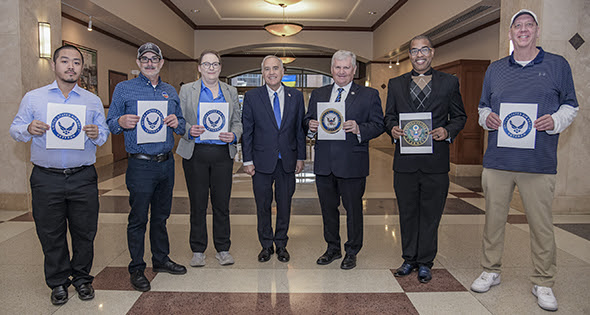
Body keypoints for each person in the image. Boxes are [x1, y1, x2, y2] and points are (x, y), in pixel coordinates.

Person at [470, 10, 578, 312]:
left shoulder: (557, 65)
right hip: (498, 161)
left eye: (529, 25)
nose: (523, 30)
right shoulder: (495, 69)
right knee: (492, 221)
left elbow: (571, 106)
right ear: (510, 33)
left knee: (542, 226)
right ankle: (490, 270)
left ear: (537, 31)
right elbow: (483, 106)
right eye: (518, 26)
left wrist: (554, 120)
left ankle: (543, 282)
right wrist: (486, 118)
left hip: (539, 163)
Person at [9, 45, 109, 305]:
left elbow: (104, 133)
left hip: (83, 176)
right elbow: (15, 129)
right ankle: (58, 282)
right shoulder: (34, 98)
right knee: (50, 233)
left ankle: (83, 279)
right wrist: (29, 128)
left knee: (85, 232)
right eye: (65, 61)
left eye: (76, 62)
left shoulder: (92, 100)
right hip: (46, 178)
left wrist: (97, 134)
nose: (71, 67)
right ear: (54, 65)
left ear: (81, 68)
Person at [383, 35, 467, 283]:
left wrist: (448, 131)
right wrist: (392, 129)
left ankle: (425, 262)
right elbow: (388, 117)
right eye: (414, 51)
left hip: (435, 162)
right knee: (407, 213)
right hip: (405, 164)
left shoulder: (449, 82)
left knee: (431, 214)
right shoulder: (395, 84)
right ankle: (409, 258)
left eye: (424, 50)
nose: (419, 55)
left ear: (432, 53)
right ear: (409, 55)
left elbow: (460, 116)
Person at [107, 42, 187, 292]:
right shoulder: (124, 89)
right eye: (145, 59)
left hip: (166, 164)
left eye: (155, 59)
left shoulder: (170, 91)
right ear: (139, 63)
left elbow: (183, 126)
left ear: (161, 63)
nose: (150, 63)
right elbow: (111, 124)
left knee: (161, 217)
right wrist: (120, 120)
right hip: (140, 164)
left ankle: (161, 259)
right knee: (138, 217)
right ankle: (137, 267)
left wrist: (177, 122)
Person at [304, 50, 384, 270]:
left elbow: (379, 124)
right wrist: (310, 126)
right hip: (324, 164)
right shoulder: (319, 94)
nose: (341, 72)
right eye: (337, 67)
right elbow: (308, 120)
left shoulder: (369, 95)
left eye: (346, 67)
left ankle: (352, 251)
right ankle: (332, 248)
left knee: (353, 210)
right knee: (328, 210)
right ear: (331, 70)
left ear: (354, 70)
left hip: (352, 163)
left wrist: (359, 128)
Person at [176, 50, 243, 267]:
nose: (211, 68)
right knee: (198, 203)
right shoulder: (187, 90)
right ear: (199, 67)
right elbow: (178, 120)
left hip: (223, 154)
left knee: (222, 203)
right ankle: (198, 249)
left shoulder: (230, 91)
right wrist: (188, 129)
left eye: (215, 64)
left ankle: (223, 248)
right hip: (196, 153)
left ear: (220, 68)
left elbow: (237, 121)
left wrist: (234, 135)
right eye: (207, 64)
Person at [241, 55, 306, 263]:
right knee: (263, 205)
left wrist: (301, 157)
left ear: (283, 72)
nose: (271, 72)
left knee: (285, 204)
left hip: (287, 160)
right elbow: (247, 131)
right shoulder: (252, 97)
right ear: (262, 73)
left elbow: (299, 130)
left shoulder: (296, 96)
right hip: (261, 162)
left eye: (275, 68)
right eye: (267, 69)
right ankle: (266, 245)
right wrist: (247, 160)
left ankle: (281, 244)